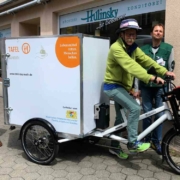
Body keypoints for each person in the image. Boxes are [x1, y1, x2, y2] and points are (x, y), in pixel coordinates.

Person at [103, 18, 175, 159]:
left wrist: (164, 72)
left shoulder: (133, 48)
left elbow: (147, 61)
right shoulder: (116, 48)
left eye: (134, 34)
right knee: (135, 109)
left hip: (123, 87)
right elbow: (131, 66)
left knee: (120, 119)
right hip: (112, 86)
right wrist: (152, 77)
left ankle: (114, 147)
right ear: (121, 34)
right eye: (128, 34)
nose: (131, 37)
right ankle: (133, 142)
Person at [140, 23, 175, 155]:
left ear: (163, 34)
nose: (158, 32)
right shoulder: (143, 50)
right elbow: (138, 71)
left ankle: (156, 141)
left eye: (161, 31)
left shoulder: (168, 49)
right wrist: (137, 88)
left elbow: (170, 70)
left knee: (160, 115)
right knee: (147, 115)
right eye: (156, 30)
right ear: (151, 33)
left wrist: (168, 91)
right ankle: (146, 140)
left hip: (161, 88)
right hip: (146, 87)